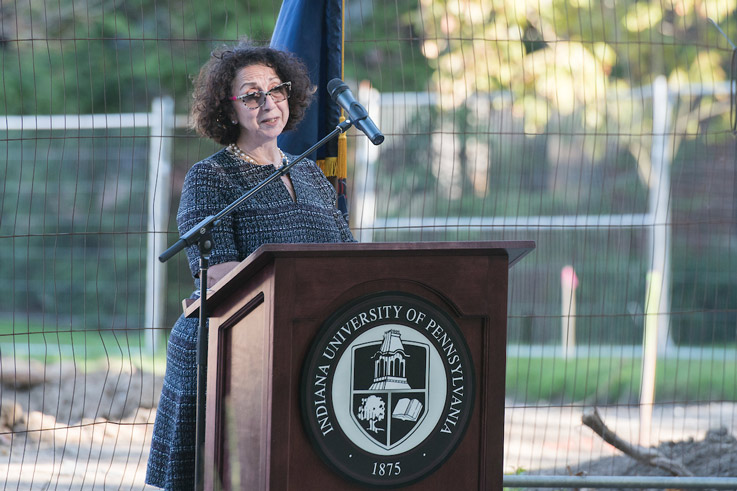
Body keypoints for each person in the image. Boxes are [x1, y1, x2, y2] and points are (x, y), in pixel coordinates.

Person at [146, 41, 355, 489]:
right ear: (229, 107)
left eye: (275, 90)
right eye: (252, 95)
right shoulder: (212, 176)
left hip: (311, 334)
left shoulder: (309, 172)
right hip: (231, 339)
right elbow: (214, 273)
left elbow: (346, 254)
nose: (268, 103)